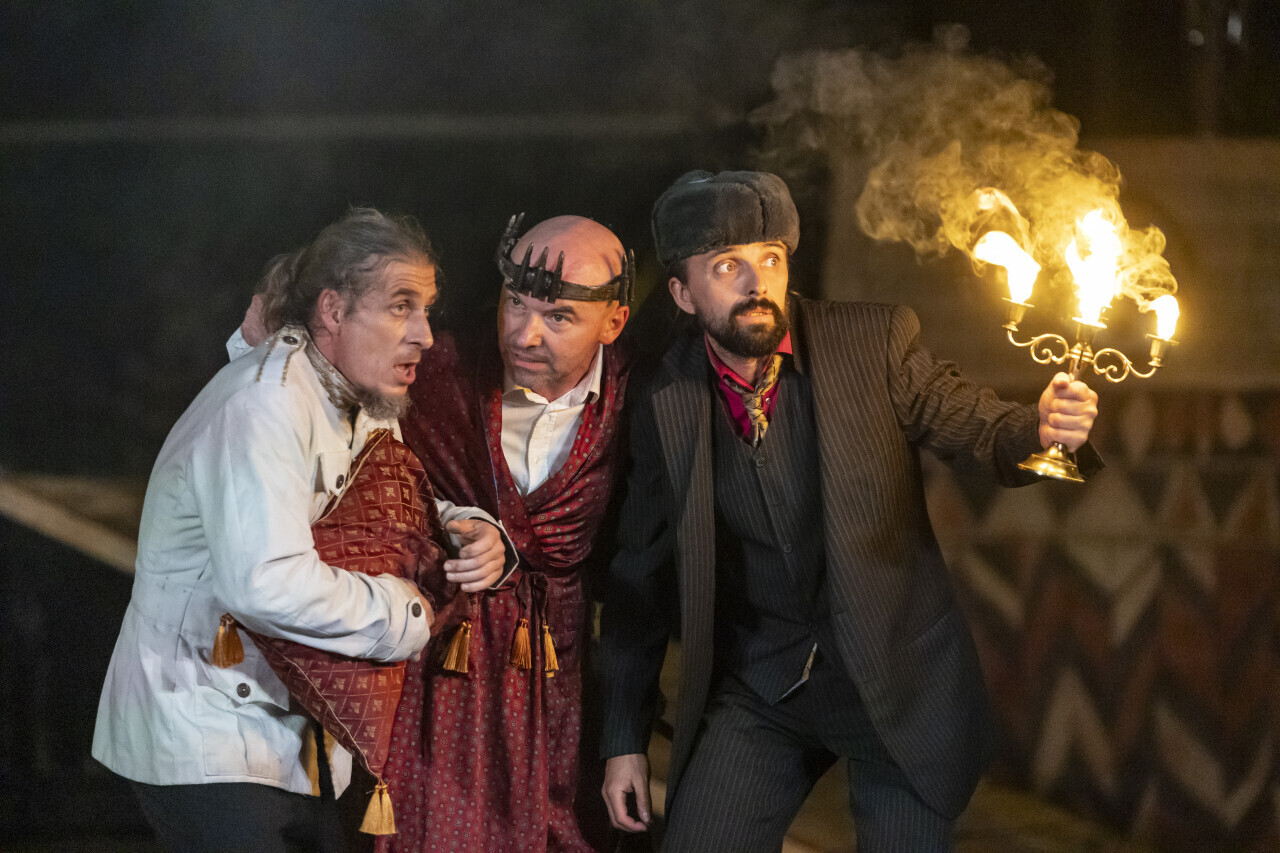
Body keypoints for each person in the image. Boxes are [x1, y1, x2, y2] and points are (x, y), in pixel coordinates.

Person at [598, 171, 1101, 852]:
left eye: (771, 259)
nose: (757, 282)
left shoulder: (872, 340)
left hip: (897, 687)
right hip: (763, 687)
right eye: (726, 266)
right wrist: (623, 739)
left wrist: (1037, 429)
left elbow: (971, 422)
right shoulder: (665, 394)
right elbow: (639, 579)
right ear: (684, 294)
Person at [93, 208, 509, 853]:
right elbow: (265, 582)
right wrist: (405, 614)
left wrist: (466, 531)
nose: (425, 335)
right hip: (207, 735)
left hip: (295, 738)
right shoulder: (263, 404)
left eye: (426, 309)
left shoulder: (355, 396)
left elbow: (377, 508)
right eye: (401, 306)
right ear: (333, 310)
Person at [386, 214, 632, 853]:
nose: (523, 334)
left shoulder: (638, 399)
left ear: (613, 322)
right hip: (443, 665)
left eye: (558, 317)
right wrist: (450, 521)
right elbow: (365, 474)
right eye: (515, 303)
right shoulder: (436, 371)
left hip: (562, 672)